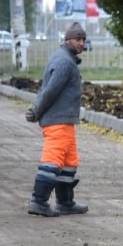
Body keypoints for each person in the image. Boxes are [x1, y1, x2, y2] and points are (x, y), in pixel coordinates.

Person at [24, 22, 89, 216]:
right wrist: (36, 111)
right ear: (68, 40)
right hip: (57, 122)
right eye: (78, 39)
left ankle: (65, 202)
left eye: (84, 40)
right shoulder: (64, 62)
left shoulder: (66, 60)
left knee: (70, 162)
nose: (82, 43)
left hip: (65, 121)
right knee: (52, 161)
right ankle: (39, 201)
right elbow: (50, 91)